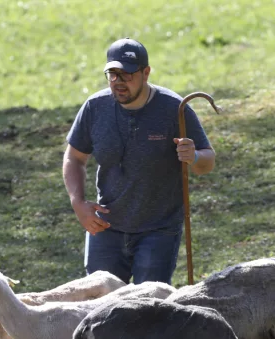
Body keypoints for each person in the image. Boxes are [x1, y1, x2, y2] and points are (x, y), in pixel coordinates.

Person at [63, 38, 215, 285]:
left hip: (159, 231)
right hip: (106, 228)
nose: (119, 82)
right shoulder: (94, 107)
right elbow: (74, 157)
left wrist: (194, 156)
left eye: (127, 74)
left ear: (146, 73)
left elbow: (207, 161)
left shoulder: (174, 108)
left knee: (148, 310)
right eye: (113, 75)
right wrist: (78, 203)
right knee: (100, 307)